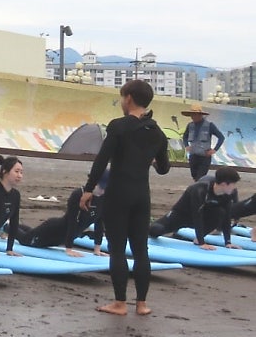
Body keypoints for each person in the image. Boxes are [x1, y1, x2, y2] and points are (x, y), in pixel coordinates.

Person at [80, 79, 170, 317]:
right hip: (142, 196)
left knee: (118, 249)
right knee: (141, 250)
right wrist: (149, 158)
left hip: (119, 194)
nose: (122, 102)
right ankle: (142, 304)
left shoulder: (118, 126)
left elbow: (102, 160)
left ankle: (120, 303)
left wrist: (89, 188)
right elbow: (164, 169)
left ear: (128, 98)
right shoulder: (157, 132)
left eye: (122, 97)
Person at [15, 171, 108, 257]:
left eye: (105, 188)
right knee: (25, 240)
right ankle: (6, 226)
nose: (102, 191)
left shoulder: (103, 198)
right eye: (101, 187)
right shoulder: (79, 194)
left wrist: (97, 249)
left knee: (31, 233)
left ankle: (15, 225)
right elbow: (72, 221)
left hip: (61, 239)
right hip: (53, 231)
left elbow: (99, 223)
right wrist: (69, 249)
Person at [148, 166, 241, 250]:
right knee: (156, 230)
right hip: (180, 215)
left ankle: (197, 239)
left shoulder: (230, 193)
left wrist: (228, 242)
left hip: (204, 214)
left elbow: (227, 217)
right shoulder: (199, 189)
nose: (235, 187)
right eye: (234, 184)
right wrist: (202, 243)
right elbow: (197, 215)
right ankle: (141, 230)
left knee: (221, 212)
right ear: (224, 184)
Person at [181, 104, 225, 180]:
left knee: (200, 177)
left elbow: (221, 137)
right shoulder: (190, 125)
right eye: (191, 115)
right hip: (193, 156)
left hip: (204, 156)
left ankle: (199, 190)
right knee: (194, 176)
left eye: (194, 115)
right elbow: (185, 136)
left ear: (200, 115)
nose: (192, 117)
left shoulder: (210, 125)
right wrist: (186, 145)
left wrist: (214, 150)